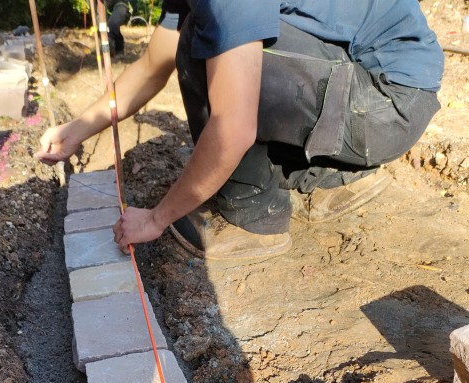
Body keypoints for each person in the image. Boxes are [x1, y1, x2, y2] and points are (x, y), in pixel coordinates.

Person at [37, 1, 444, 267]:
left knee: (208, 48)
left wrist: (157, 218)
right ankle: (325, 177)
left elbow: (233, 127)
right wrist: (78, 129)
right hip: (375, 91)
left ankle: (251, 214)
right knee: (204, 41)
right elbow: (152, 66)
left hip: (387, 102)